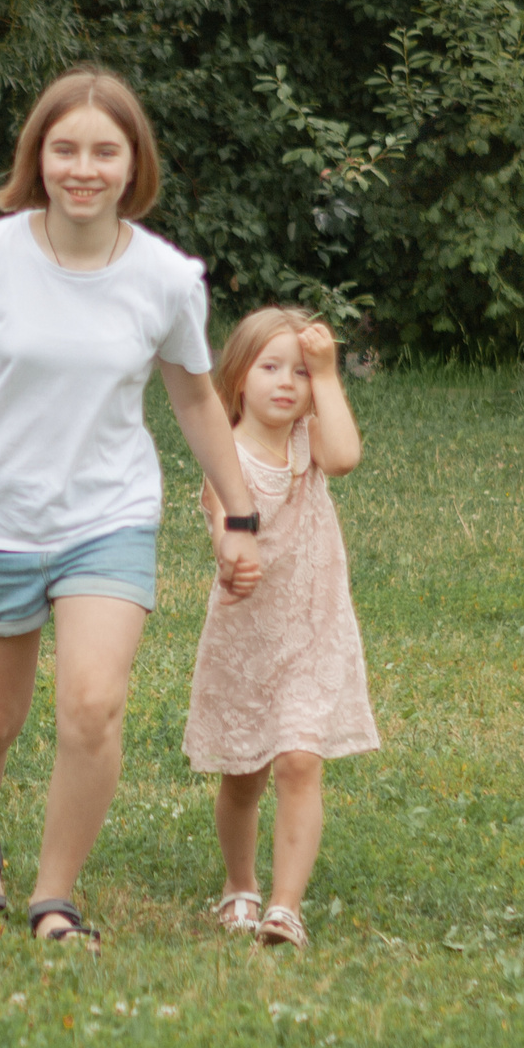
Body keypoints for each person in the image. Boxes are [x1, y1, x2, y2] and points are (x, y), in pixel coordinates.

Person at [0, 64, 263, 948]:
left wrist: (239, 512)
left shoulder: (166, 278)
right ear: (37, 156)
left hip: (107, 517)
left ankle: (54, 897)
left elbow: (193, 397)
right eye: (65, 147)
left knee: (91, 706)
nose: (84, 167)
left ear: (132, 163)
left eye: (104, 151)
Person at [184, 306, 376, 950]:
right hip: (248, 641)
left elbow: (346, 455)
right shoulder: (227, 455)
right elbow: (222, 525)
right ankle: (240, 883)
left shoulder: (308, 440)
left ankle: (285, 906)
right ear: (239, 378)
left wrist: (329, 372)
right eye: (271, 368)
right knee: (243, 774)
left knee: (299, 760)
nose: (287, 383)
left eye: (300, 371)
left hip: (314, 631)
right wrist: (229, 553)